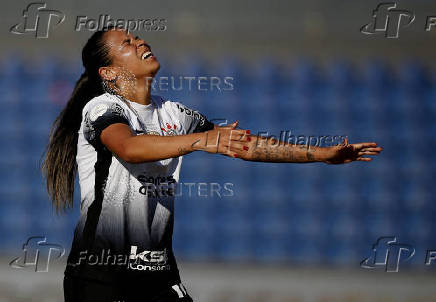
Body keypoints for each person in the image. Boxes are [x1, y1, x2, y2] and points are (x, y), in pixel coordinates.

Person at [41, 26, 382, 302]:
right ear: (110, 72)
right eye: (127, 43)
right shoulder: (103, 108)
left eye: (137, 37)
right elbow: (129, 147)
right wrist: (201, 141)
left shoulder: (175, 113)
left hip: (158, 275)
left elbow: (244, 145)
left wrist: (321, 155)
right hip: (100, 277)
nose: (140, 40)